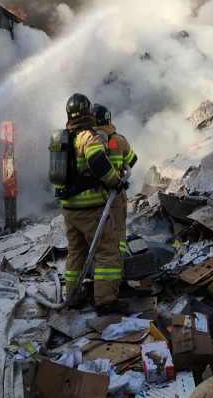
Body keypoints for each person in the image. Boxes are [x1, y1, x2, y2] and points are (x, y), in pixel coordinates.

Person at [57, 92, 126, 313]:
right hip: (91, 208)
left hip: (69, 209)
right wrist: (115, 182)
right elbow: (97, 161)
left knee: (76, 251)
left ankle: (73, 297)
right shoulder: (88, 136)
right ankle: (106, 301)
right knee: (107, 250)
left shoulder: (64, 137)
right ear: (88, 113)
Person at [92, 103, 137, 270]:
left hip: (94, 197)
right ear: (108, 120)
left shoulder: (86, 140)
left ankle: (95, 271)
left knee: (97, 236)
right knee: (118, 235)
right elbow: (132, 161)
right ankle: (119, 272)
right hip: (116, 194)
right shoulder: (119, 140)